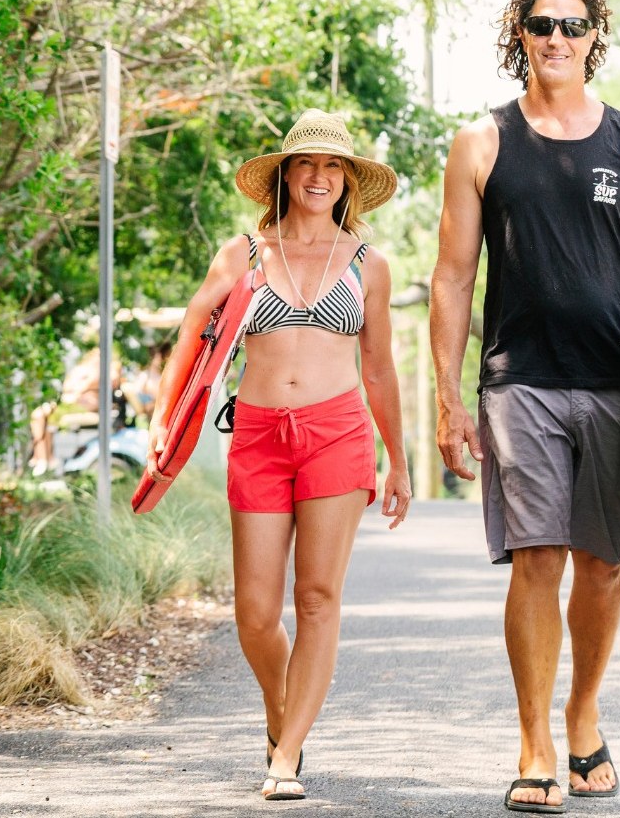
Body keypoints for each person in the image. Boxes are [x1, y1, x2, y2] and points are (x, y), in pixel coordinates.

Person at [429, 0, 620, 814]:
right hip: (519, 379)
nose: (557, 37)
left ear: (595, 37)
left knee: (602, 565)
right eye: (541, 24)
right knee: (538, 557)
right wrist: (448, 400)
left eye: (573, 24)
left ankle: (582, 712)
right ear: (519, 35)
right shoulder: (482, 143)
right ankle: (535, 745)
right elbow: (452, 279)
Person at [145, 108, 411, 802]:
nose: (319, 177)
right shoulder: (243, 254)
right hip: (259, 435)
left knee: (317, 598)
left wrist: (399, 461)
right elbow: (194, 327)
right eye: (306, 164)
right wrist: (163, 417)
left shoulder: (368, 264)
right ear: (286, 175)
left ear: (348, 180)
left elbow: (379, 369)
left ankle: (286, 756)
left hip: (337, 434)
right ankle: (280, 710)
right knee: (256, 614)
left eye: (333, 166)